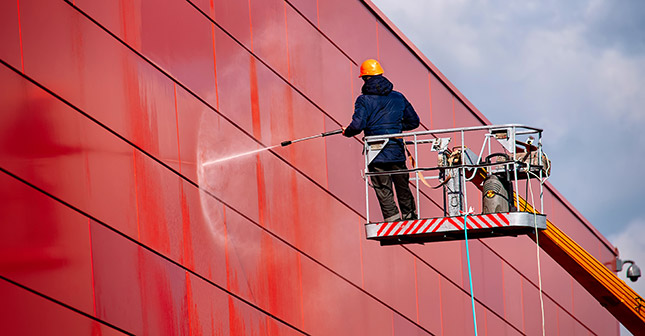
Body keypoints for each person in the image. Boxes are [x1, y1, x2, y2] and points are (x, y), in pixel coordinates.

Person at [343, 59, 420, 222]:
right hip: (396, 150)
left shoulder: (363, 100)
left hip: (376, 152)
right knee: (402, 185)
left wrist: (347, 132)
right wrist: (395, 128)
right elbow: (414, 122)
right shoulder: (399, 97)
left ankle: (392, 219)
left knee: (383, 187)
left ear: (365, 79)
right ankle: (410, 217)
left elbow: (358, 125)